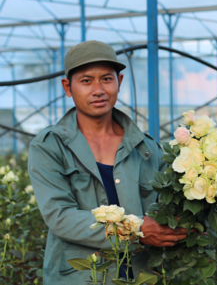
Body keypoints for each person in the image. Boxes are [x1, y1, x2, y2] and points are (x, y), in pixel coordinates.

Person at [28, 40, 189, 284]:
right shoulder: (50, 146)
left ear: (119, 82)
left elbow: (170, 204)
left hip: (143, 274)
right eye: (86, 81)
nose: (98, 90)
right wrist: (136, 231)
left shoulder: (146, 147)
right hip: (83, 276)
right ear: (67, 87)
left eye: (106, 79)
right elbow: (60, 217)